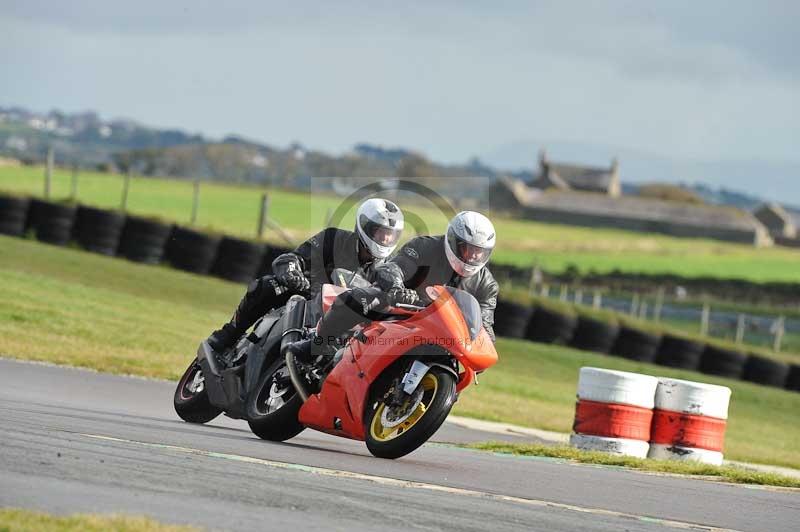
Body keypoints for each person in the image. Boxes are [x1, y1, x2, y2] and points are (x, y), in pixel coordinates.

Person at [288, 210, 498, 362]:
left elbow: (485, 325)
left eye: (479, 252)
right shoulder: (426, 247)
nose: (473, 256)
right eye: (468, 249)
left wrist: (484, 346)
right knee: (352, 299)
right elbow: (393, 268)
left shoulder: (487, 284)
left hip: (441, 333)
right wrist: (396, 288)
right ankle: (316, 345)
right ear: (453, 241)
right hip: (400, 309)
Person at [206, 198, 405, 354]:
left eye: (390, 234)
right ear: (365, 226)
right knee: (267, 286)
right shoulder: (333, 239)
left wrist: (400, 293)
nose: (385, 238)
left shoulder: (389, 268)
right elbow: (295, 257)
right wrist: (291, 272)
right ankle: (230, 333)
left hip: (344, 323)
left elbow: (393, 288)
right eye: (380, 232)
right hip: (308, 297)